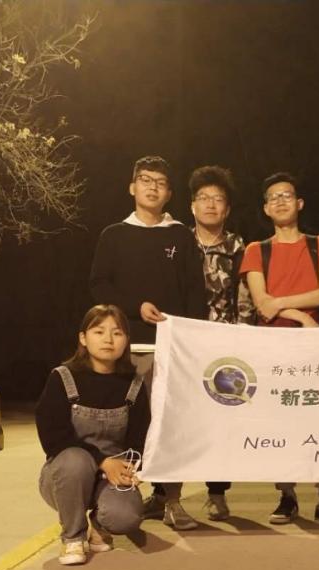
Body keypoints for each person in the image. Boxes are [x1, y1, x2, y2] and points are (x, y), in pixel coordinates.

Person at [89, 155, 207, 531]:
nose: (152, 187)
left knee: (171, 426)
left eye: (160, 182)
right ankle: (117, 496)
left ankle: (171, 500)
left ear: (169, 193)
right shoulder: (113, 235)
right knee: (124, 426)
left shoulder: (180, 236)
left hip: (171, 352)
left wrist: (193, 340)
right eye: (145, 180)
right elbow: (99, 286)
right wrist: (134, 308)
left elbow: (195, 292)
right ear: (132, 187)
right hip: (127, 351)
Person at [239, 172, 319, 528]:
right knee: (281, 425)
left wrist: (282, 304)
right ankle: (287, 496)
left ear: (299, 203)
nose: (280, 201)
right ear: (265, 208)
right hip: (273, 349)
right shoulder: (256, 250)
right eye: (273, 197)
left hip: (315, 350)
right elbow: (261, 303)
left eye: (287, 195)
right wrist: (301, 316)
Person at [36, 305, 149, 566]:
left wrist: (132, 468)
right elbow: (54, 438)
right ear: (83, 338)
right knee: (75, 460)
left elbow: (140, 438)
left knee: (126, 518)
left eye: (117, 333)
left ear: (126, 340)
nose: (108, 339)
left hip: (111, 474)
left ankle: (100, 524)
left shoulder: (134, 384)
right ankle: (73, 537)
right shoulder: (62, 378)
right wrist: (102, 461)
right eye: (99, 332)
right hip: (65, 476)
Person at [189, 165, 254, 521]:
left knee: (220, 421)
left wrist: (242, 339)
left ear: (227, 209)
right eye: (204, 198)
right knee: (179, 419)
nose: (211, 205)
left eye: (218, 199)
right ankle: (164, 494)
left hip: (225, 346)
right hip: (185, 345)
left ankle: (216, 494)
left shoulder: (238, 247)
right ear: (192, 206)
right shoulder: (177, 243)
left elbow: (245, 297)